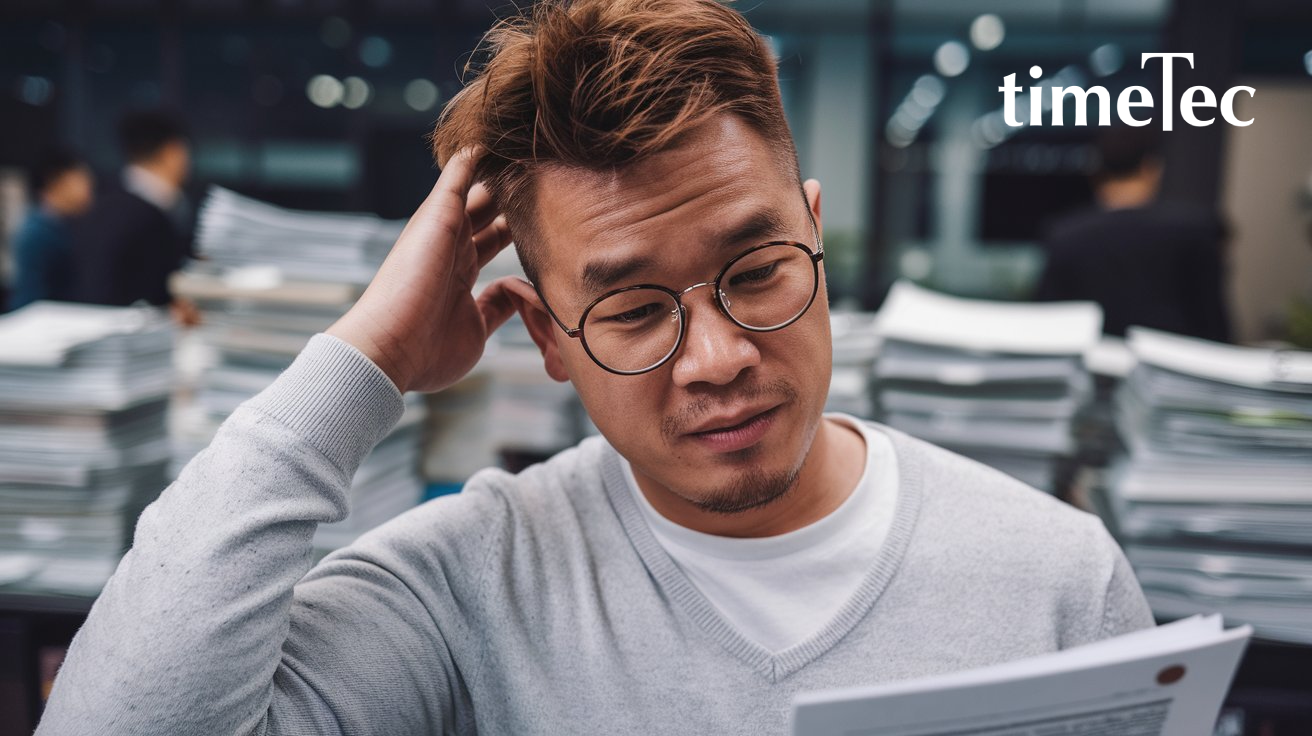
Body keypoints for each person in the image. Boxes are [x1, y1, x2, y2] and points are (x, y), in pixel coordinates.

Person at [38, 2, 1152, 733]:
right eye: (627, 309)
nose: (717, 359)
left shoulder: (1056, 579)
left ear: (815, 233)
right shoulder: (466, 584)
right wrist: (363, 356)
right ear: (544, 336)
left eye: (758, 270)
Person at [1033, 126, 1232, 342]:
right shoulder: (1195, 231)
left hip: (1092, 368)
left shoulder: (1064, 235)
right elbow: (1214, 325)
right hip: (1174, 370)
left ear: (1096, 172)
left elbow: (1047, 321)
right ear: (1151, 169)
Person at [71, 109, 199, 325]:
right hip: (134, 343)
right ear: (172, 152)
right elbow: (158, 301)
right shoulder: (152, 219)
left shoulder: (100, 208)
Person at [6, 147, 93, 311]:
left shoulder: (61, 225)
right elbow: (31, 300)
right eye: (82, 179)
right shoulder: (37, 233)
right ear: (57, 181)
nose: (89, 188)